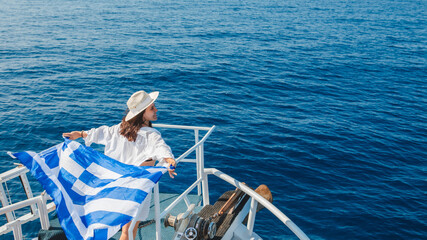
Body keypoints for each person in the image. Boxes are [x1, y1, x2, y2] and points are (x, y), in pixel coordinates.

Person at [62, 90, 177, 240]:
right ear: (142, 113)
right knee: (128, 230)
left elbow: (101, 133)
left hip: (115, 184)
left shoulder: (120, 129)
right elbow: (161, 147)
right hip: (136, 188)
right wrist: (168, 159)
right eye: (152, 108)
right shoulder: (151, 135)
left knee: (123, 227)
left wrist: (81, 134)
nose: (156, 110)